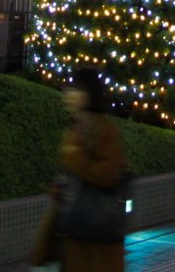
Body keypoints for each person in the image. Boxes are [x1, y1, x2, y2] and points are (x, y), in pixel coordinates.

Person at [33, 67, 127, 271]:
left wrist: (75, 159)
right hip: (74, 228)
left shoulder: (103, 129)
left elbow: (109, 174)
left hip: (92, 235)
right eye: (67, 90)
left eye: (74, 90)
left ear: (88, 95)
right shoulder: (76, 128)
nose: (68, 95)